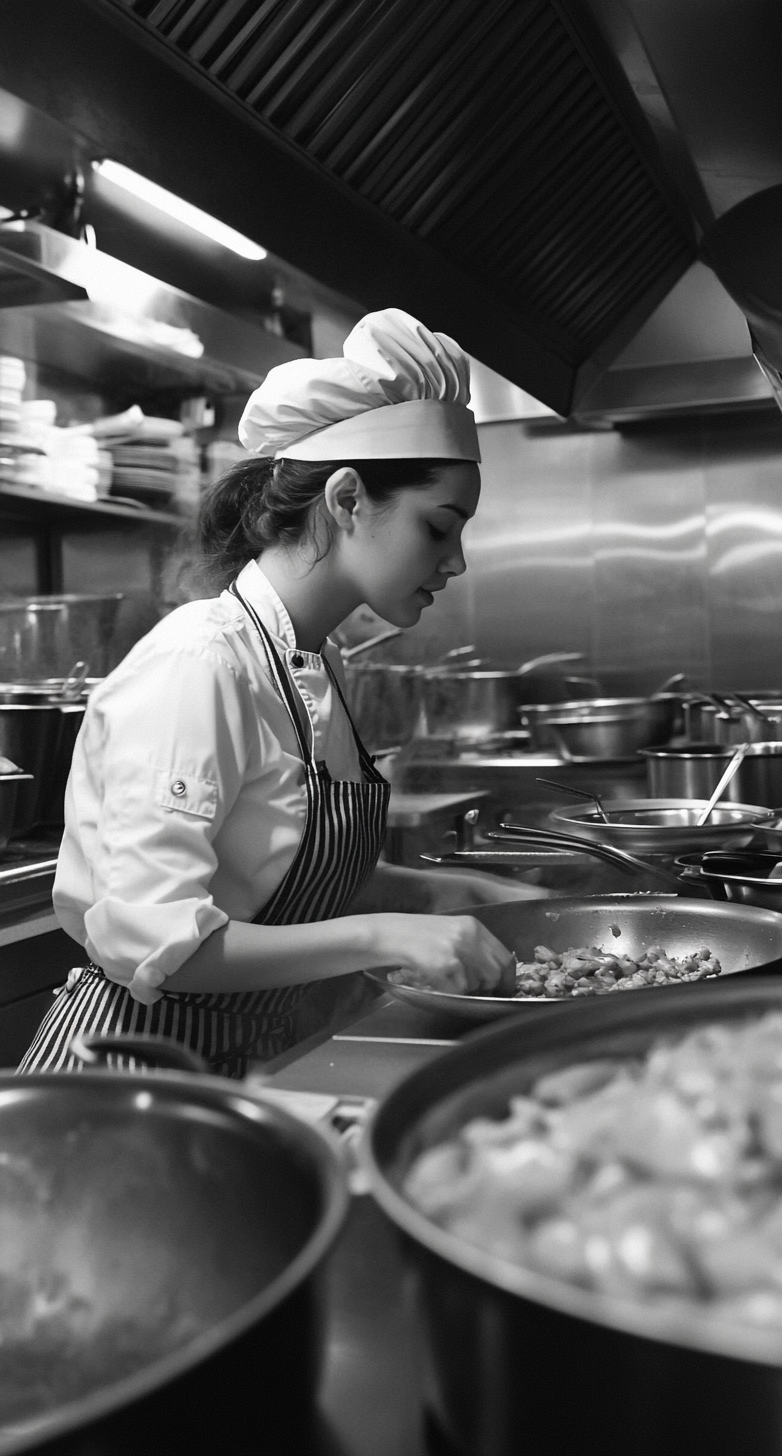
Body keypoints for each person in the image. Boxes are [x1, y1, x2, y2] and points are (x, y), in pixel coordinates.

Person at [18, 309, 539, 1078]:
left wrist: (434, 893)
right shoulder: (202, 665)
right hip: (127, 1076)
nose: (455, 561)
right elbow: (162, 942)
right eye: (439, 526)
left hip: (241, 1063)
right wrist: (388, 935)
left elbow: (267, 874)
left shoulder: (305, 663)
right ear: (348, 497)